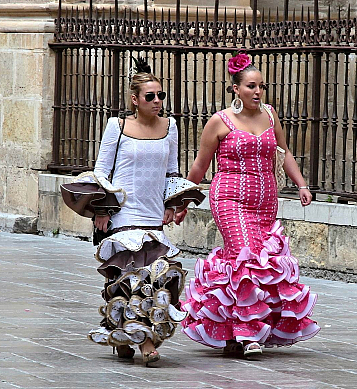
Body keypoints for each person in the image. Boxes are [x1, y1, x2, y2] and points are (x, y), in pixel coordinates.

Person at [179, 53, 320, 358]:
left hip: (265, 200)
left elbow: (284, 153)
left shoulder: (270, 114)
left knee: (262, 260)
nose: (257, 92)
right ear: (235, 89)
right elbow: (200, 167)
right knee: (244, 257)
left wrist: (301, 184)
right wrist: (183, 202)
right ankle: (247, 333)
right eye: (251, 86)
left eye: (261, 87)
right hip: (229, 197)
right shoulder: (220, 120)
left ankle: (232, 329)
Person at [64, 57, 203, 365]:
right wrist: (103, 208)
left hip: (153, 215)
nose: (157, 101)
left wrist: (171, 204)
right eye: (150, 96)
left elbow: (172, 172)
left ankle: (124, 334)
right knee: (129, 277)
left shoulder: (171, 127)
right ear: (134, 99)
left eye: (161, 95)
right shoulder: (118, 125)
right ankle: (145, 343)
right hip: (122, 214)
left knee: (153, 278)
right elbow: (102, 171)